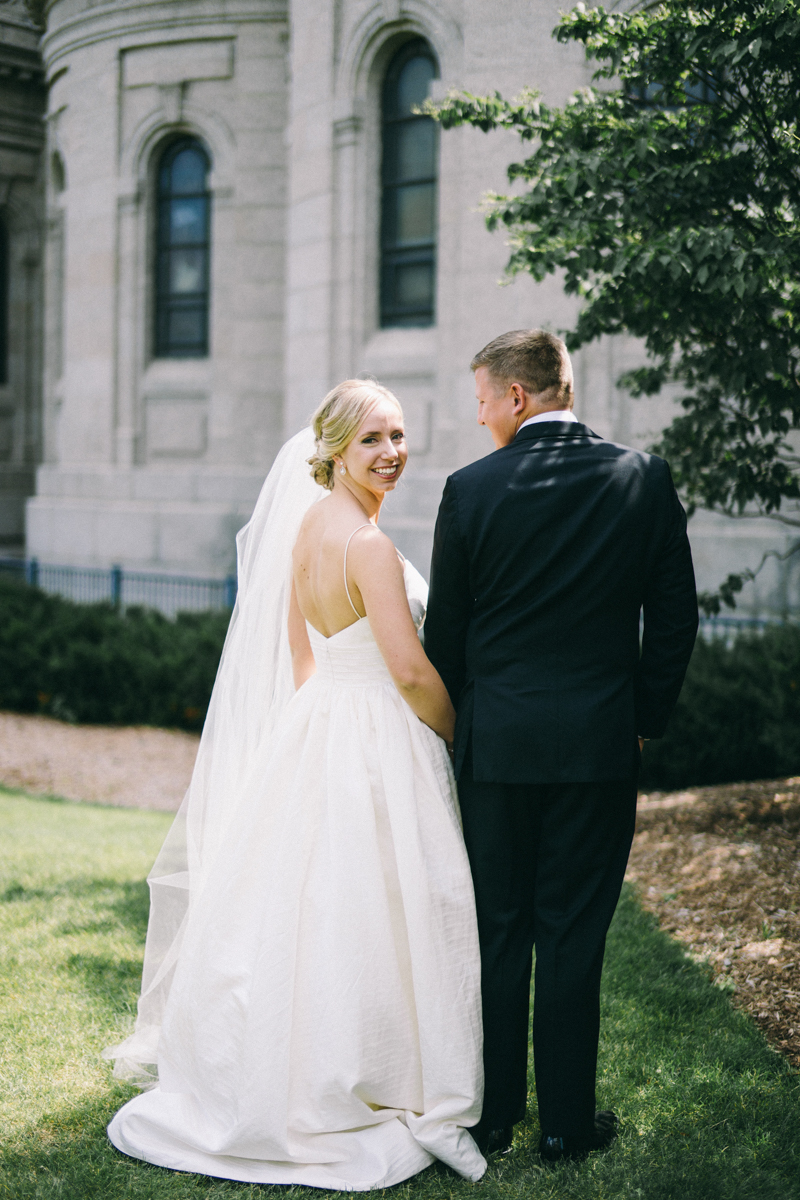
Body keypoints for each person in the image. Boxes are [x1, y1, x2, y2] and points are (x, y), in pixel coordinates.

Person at [105, 380, 486, 1189]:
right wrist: (461, 739)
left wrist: (313, 732)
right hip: (378, 733)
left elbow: (302, 656)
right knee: (380, 911)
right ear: (336, 451)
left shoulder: (308, 528)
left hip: (318, 726)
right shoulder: (369, 546)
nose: (392, 453)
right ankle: (368, 1075)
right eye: (373, 440)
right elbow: (411, 673)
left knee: (308, 909)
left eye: (399, 435)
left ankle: (284, 1060)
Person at [424, 329, 699, 1163]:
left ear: (517, 396)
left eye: (480, 401)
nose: (480, 420)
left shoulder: (469, 490)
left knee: (501, 929)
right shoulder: (641, 478)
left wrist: (469, 728)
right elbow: (676, 617)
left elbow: (447, 638)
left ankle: (495, 1115)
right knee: (574, 934)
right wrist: (641, 718)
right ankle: (566, 1126)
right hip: (598, 747)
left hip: (498, 751)